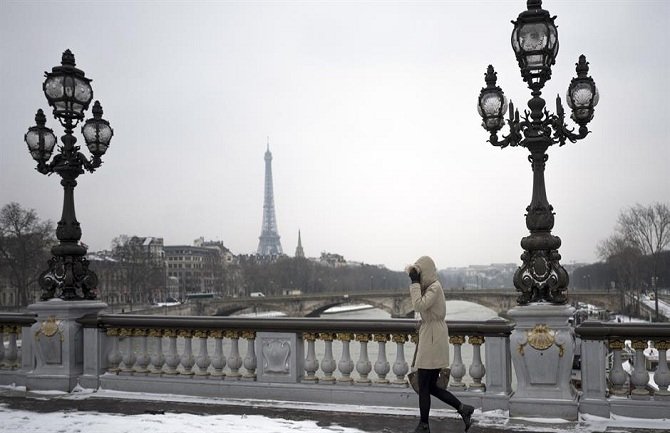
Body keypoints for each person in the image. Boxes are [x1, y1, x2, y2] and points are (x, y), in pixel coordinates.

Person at [408, 256, 474, 433]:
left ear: (426, 272)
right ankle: (463, 409)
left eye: (419, 273)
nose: (418, 277)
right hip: (431, 336)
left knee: (424, 385)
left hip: (433, 338)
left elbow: (418, 306)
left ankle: (424, 425)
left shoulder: (435, 288)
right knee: (430, 387)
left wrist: (414, 284)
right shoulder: (431, 287)